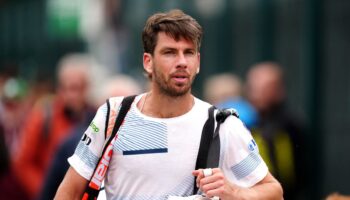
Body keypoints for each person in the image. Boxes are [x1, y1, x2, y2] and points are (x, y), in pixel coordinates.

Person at [55, 9, 283, 200]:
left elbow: (274, 192)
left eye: (189, 53)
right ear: (148, 62)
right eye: (170, 53)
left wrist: (233, 192)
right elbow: (68, 192)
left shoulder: (220, 125)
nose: (182, 62)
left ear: (198, 62)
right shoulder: (113, 114)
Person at [38, 74, 142, 200]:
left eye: (128, 111)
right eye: (116, 111)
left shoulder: (147, 145)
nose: (119, 119)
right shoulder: (74, 141)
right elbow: (54, 189)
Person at [12, 53, 96, 200]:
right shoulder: (44, 116)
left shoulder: (97, 117)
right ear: (59, 89)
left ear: (86, 88)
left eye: (77, 88)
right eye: (68, 88)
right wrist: (46, 189)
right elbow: (23, 163)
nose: (72, 95)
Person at [245, 62, 307, 199]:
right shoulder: (242, 122)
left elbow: (295, 173)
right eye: (254, 87)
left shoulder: (290, 126)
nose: (257, 93)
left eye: (265, 88)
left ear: (279, 90)